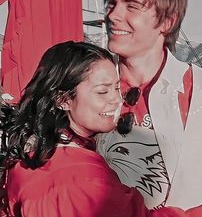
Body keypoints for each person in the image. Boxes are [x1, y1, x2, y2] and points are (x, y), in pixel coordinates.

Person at [0, 41, 189, 217]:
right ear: (63, 100)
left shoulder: (38, 149)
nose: (116, 99)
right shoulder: (76, 179)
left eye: (117, 88)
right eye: (102, 91)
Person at [96, 0, 202, 216]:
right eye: (111, 3)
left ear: (167, 21)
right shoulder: (86, 91)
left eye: (131, 6)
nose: (113, 15)